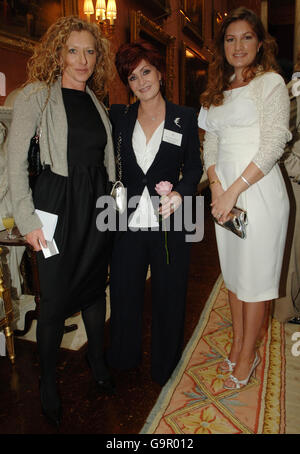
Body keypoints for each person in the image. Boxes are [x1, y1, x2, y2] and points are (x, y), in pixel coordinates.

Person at [7, 16, 116, 427]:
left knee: (92, 288)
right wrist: (26, 217)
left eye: (90, 51)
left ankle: (98, 363)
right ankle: (48, 383)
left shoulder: (96, 102)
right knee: (53, 299)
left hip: (96, 207)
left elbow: (105, 165)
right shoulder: (38, 95)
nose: (83, 59)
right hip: (54, 205)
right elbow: (15, 163)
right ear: (58, 52)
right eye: (73, 50)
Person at [199, 7, 291, 390]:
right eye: (230, 38)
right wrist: (216, 186)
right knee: (235, 277)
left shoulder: (270, 83)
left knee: (254, 280)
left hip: (259, 193)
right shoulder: (218, 90)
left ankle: (249, 353)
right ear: (222, 46)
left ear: (260, 42)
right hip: (227, 198)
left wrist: (233, 189)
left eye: (246, 37)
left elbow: (273, 145)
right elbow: (211, 143)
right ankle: (238, 344)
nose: (238, 46)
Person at [107, 42, 202, 386]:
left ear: (160, 72)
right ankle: (123, 357)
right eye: (132, 77)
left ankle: (166, 366)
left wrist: (180, 191)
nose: (141, 81)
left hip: (170, 221)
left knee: (169, 295)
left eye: (146, 71)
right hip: (127, 221)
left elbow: (194, 167)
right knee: (124, 291)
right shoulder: (119, 117)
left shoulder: (184, 117)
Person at [274, 53, 300, 324]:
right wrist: (297, 171)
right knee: (293, 248)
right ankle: (287, 310)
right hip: (295, 182)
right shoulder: (292, 94)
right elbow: (279, 140)